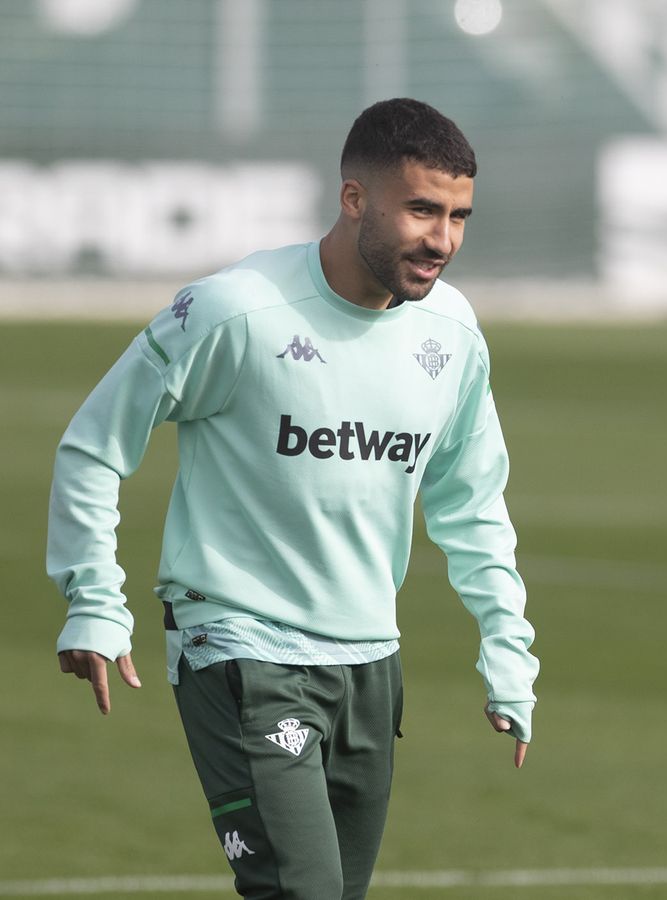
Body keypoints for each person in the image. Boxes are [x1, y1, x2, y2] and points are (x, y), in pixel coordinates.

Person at [47, 98, 539, 898]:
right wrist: (94, 600)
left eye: (458, 217)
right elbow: (95, 444)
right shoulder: (235, 310)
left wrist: (507, 649)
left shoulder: (452, 334)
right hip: (240, 647)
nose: (443, 240)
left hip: (371, 663)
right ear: (353, 198)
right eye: (421, 210)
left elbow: (474, 504)